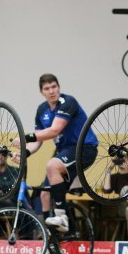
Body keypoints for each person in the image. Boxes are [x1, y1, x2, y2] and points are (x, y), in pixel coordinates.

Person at [18, 73, 98, 232]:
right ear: (42, 92)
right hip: (64, 150)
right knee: (45, 194)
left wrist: (25, 137)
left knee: (52, 165)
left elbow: (54, 131)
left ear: (59, 87)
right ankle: (52, 237)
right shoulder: (42, 110)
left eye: (54, 87)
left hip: (84, 148)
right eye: (47, 88)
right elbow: (38, 140)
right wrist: (24, 152)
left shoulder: (68, 102)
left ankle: (62, 216)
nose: (51, 91)